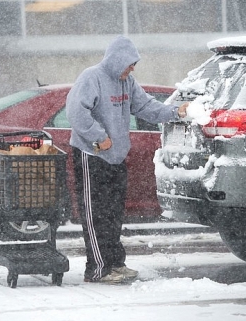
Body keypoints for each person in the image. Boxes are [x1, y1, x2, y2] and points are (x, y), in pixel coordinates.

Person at [66, 35, 188, 284]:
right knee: (95, 214)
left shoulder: (127, 82)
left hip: (116, 157)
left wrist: (175, 112)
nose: (133, 68)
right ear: (117, 60)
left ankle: (115, 264)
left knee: (113, 213)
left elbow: (146, 107)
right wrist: (98, 137)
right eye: (130, 63)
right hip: (92, 156)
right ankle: (98, 269)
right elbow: (76, 112)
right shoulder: (92, 77)